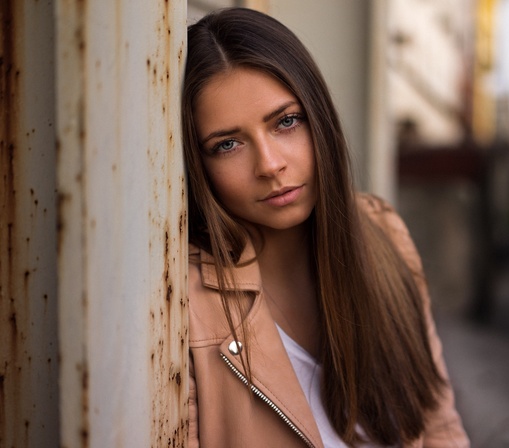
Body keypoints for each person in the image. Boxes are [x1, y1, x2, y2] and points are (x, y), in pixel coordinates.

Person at [183, 7, 469, 448]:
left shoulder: (385, 235)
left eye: (286, 121)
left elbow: (439, 427)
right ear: (198, 164)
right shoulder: (188, 306)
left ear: (320, 118)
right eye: (228, 144)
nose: (270, 164)